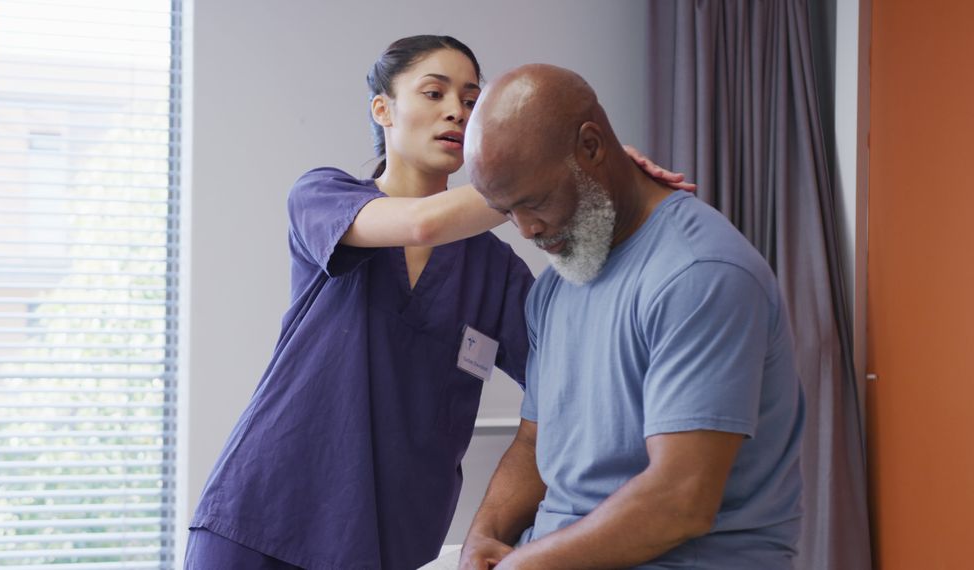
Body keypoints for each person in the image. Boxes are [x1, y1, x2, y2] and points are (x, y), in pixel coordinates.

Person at [185, 37, 692, 570]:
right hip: (266, 519)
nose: (457, 110)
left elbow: (572, 379)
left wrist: (607, 192)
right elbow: (422, 221)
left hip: (390, 542)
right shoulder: (322, 197)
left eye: (472, 101)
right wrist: (547, 173)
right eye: (434, 92)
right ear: (383, 108)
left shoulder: (494, 270)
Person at [456, 64, 805, 569]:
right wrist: (482, 537)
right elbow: (535, 441)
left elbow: (680, 502)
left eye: (534, 202)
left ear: (592, 147)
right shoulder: (558, 285)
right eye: (505, 211)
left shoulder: (699, 274)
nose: (526, 230)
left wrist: (528, 564)